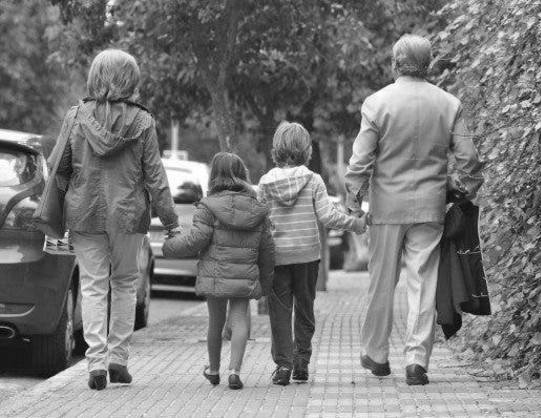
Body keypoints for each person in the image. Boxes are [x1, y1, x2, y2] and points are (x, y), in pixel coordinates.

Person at [344, 34, 484, 385]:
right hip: (430, 208)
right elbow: (469, 159)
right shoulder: (449, 104)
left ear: (395, 63)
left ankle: (377, 355)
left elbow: (361, 160)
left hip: (387, 208)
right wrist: (462, 190)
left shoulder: (376, 104)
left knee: (382, 282)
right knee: (423, 282)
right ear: (429, 64)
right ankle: (416, 361)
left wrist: (352, 200)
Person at [54, 49, 179, 390]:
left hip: (85, 210)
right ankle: (118, 359)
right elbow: (155, 176)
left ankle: (95, 363)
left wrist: (54, 214)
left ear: (96, 77)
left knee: (93, 285)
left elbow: (58, 168)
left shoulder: (76, 116)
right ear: (130, 80)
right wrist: (171, 221)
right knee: (124, 283)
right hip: (128, 213)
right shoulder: (142, 121)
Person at [258, 122, 367, 385]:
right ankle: (301, 363)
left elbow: (259, 222)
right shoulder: (313, 180)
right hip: (307, 257)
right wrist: (356, 223)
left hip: (278, 258)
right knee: (305, 310)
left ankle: (283, 366)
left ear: (276, 149)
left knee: (280, 313)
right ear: (306, 149)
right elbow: (328, 216)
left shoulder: (265, 183)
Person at [163, 152, 275, 390]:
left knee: (216, 322)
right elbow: (267, 250)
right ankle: (235, 372)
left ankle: (214, 371)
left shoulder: (208, 206)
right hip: (244, 275)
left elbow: (197, 239)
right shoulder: (256, 208)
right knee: (239, 319)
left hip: (215, 275)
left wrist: (170, 246)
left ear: (214, 175)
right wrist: (265, 282)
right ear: (243, 174)